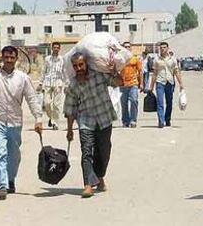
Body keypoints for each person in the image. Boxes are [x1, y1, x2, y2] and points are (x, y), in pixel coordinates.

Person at [0, 46, 42, 200]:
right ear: (1, 58)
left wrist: (38, 118)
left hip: (15, 122)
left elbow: (31, 98)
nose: (9, 61)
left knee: (14, 155)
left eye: (12, 58)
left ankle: (10, 180)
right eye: (6, 58)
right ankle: (2, 186)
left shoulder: (23, 78)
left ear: (16, 59)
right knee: (0, 153)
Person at [63, 52, 123, 198]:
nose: (79, 68)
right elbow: (70, 109)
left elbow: (119, 82)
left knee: (104, 152)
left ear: (86, 64)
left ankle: (100, 176)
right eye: (76, 66)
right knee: (87, 152)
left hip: (104, 118)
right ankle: (88, 185)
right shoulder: (73, 86)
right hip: (85, 121)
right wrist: (70, 129)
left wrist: (115, 71)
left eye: (81, 65)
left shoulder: (99, 75)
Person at [149, 42, 184, 128]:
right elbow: (154, 73)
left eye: (164, 47)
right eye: (161, 48)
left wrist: (181, 84)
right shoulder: (157, 60)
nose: (162, 49)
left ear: (168, 48)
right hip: (160, 82)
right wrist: (151, 86)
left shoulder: (173, 59)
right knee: (160, 102)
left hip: (170, 82)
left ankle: (167, 119)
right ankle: (161, 121)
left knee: (169, 102)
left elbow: (176, 71)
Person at [37, 42, 66, 130]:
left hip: (58, 83)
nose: (56, 49)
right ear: (52, 48)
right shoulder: (47, 59)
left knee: (56, 105)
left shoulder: (62, 59)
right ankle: (51, 117)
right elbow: (43, 71)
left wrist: (67, 84)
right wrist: (40, 83)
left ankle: (55, 123)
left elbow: (64, 72)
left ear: (59, 49)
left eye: (57, 47)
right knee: (47, 103)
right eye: (54, 47)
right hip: (48, 83)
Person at [119, 42, 143, 127]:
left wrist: (141, 83)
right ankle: (125, 121)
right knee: (124, 103)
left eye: (128, 47)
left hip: (133, 83)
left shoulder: (135, 59)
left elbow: (140, 71)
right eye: (125, 47)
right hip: (122, 84)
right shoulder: (120, 59)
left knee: (134, 100)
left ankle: (133, 120)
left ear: (131, 48)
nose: (127, 48)